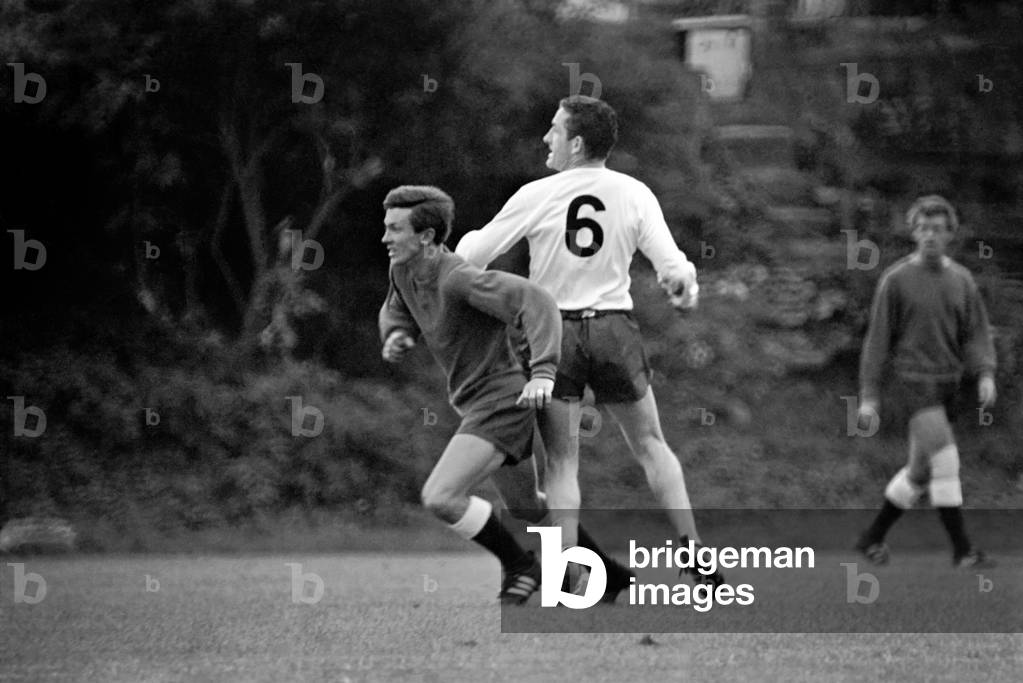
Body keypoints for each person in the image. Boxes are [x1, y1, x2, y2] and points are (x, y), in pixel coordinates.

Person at [455, 95, 724, 588]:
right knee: (651, 445)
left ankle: (567, 576)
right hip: (614, 330)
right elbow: (672, 267)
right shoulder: (634, 192)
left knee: (561, 463)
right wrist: (685, 286)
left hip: (553, 336)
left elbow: (474, 254)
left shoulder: (538, 194)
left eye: (554, 130)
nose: (546, 137)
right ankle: (695, 555)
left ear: (576, 143)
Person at [379, 185, 619, 605]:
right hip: (476, 402)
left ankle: (520, 565)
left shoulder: (458, 278)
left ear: (427, 236)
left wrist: (543, 372)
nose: (386, 238)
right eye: (387, 228)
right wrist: (397, 332)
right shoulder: (402, 271)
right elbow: (396, 305)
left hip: (503, 402)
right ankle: (608, 575)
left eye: (396, 229)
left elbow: (536, 301)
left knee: (441, 496)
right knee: (527, 506)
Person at [854, 195, 997, 568]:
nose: (929, 235)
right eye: (923, 228)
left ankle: (872, 537)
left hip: (947, 386)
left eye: (937, 229)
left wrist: (984, 373)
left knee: (920, 472)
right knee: (947, 461)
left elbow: (976, 334)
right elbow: (877, 341)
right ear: (913, 233)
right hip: (910, 385)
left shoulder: (961, 281)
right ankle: (963, 550)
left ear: (950, 234)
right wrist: (869, 397)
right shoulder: (896, 280)